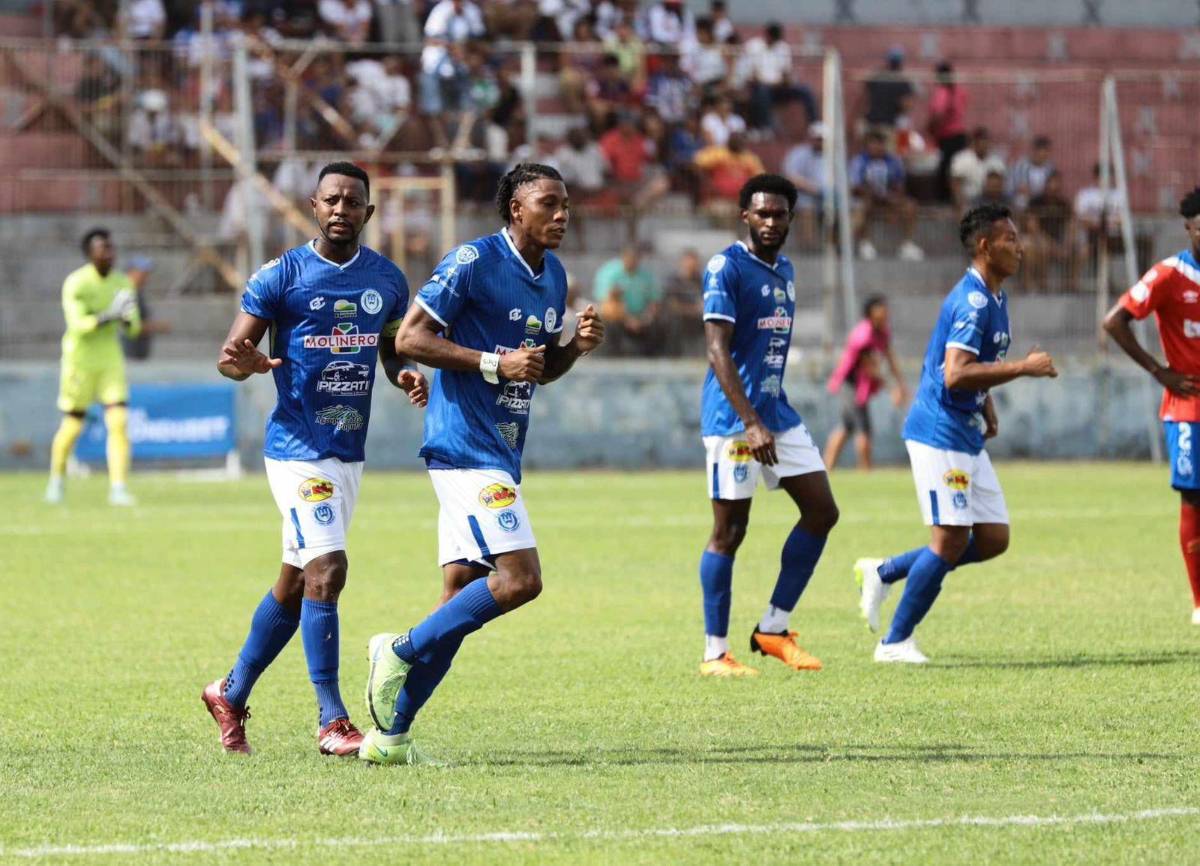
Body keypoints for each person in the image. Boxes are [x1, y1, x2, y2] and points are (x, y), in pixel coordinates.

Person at [358, 164, 604, 764]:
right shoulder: (473, 261)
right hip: (464, 445)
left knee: (463, 595)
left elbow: (537, 368)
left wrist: (573, 347)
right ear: (516, 210)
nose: (562, 214)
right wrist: (495, 363)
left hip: (499, 448)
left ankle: (390, 737)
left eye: (566, 204)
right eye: (549, 203)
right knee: (520, 579)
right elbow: (409, 339)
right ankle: (399, 648)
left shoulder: (553, 278)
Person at [200, 162, 428, 756]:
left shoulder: (387, 280)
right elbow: (230, 353)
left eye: (353, 202)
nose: (341, 210)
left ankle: (230, 691)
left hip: (347, 452)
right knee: (329, 569)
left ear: (368, 213)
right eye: (331, 200)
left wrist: (402, 373)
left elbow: (389, 346)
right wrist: (241, 363)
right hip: (297, 448)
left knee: (298, 580)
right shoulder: (282, 275)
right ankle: (332, 720)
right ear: (312, 205)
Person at [853, 204, 1058, 663]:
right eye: (1009, 239)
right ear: (984, 247)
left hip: (964, 430)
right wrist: (1023, 368)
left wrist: (987, 404)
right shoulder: (973, 300)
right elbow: (954, 374)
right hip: (938, 430)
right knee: (948, 540)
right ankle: (894, 642)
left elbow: (974, 366)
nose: (1020, 247)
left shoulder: (997, 296)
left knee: (992, 538)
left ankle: (885, 572)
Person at [696, 173, 840, 677]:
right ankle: (715, 653)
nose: (771, 222)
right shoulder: (726, 268)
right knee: (729, 531)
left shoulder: (785, 271)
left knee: (822, 512)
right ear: (745, 216)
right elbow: (717, 350)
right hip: (736, 422)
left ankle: (772, 629)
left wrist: (767, 416)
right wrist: (750, 421)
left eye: (780, 214)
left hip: (778, 413)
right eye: (763, 213)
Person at [1103, 187, 1200, 624]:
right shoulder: (1167, 275)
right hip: (1188, 409)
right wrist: (1157, 370)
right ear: (1189, 228)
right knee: (1194, 499)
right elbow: (1114, 321)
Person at [45, 228, 141, 507]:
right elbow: (79, 325)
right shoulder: (76, 283)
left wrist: (124, 319)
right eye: (103, 249)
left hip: (109, 360)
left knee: (119, 422)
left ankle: (119, 487)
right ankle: (56, 480)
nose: (109, 254)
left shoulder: (123, 282)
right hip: (80, 362)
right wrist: (109, 315)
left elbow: (133, 328)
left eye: (112, 248)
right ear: (90, 253)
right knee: (72, 426)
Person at [824, 296, 907, 471]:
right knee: (864, 428)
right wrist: (893, 389)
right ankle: (865, 470)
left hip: (860, 385)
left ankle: (826, 468)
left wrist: (901, 385)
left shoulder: (883, 332)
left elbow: (890, 358)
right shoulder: (864, 335)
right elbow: (870, 368)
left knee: (847, 426)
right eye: (881, 310)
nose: (885, 314)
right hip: (850, 385)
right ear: (870, 313)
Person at [849, 130, 923, 262]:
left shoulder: (893, 161)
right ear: (867, 146)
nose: (878, 147)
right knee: (863, 205)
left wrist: (892, 197)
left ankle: (907, 244)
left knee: (910, 205)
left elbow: (900, 185)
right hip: (866, 198)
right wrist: (875, 194)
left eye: (880, 144)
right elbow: (855, 186)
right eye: (874, 144)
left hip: (888, 198)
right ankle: (865, 243)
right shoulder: (859, 162)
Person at [593, 243, 663, 354]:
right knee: (607, 318)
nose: (632, 261)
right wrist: (628, 319)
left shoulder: (646, 276)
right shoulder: (609, 273)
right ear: (623, 257)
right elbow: (607, 303)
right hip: (618, 317)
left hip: (641, 318)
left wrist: (646, 318)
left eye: (635, 258)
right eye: (629, 257)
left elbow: (654, 301)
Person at [928, 61, 967, 203]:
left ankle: (944, 200)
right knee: (956, 168)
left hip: (948, 137)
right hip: (960, 135)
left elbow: (938, 114)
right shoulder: (960, 91)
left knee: (945, 170)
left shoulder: (942, 92)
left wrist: (931, 128)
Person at [120, 256, 172, 360]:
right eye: (143, 273)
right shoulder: (126, 294)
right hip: (129, 355)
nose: (146, 277)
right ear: (132, 272)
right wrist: (157, 327)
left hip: (137, 354)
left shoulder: (137, 293)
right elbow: (129, 326)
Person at [950, 127, 1006, 214]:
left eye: (986, 141)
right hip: (969, 201)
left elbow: (1000, 184)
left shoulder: (996, 161)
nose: (984, 144)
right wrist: (960, 202)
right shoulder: (962, 159)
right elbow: (956, 185)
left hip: (990, 199)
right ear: (975, 142)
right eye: (981, 141)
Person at [863, 46, 914, 129]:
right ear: (900, 62)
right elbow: (906, 105)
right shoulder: (902, 81)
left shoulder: (876, 77)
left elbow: (864, 101)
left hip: (872, 123)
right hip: (890, 126)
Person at [1008, 135, 1055, 211]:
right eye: (1041, 151)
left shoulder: (1050, 168)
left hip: (1043, 200)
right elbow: (1012, 187)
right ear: (1034, 151)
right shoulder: (1021, 166)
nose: (1043, 154)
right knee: (1021, 200)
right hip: (1025, 200)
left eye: (1046, 151)